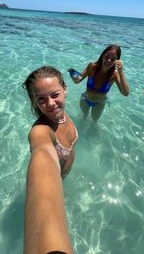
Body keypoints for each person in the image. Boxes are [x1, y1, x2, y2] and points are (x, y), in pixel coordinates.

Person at [23, 66, 77, 254]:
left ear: (65, 89)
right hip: (54, 181)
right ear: (34, 102)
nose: (51, 104)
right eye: (41, 99)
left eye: (55, 94)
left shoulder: (63, 116)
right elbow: (42, 154)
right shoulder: (41, 131)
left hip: (63, 177)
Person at [69, 44, 129, 121]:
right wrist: (73, 73)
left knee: (94, 121)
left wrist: (121, 73)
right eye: (107, 57)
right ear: (102, 56)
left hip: (99, 103)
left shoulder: (114, 75)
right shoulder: (92, 67)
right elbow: (78, 80)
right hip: (85, 99)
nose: (108, 60)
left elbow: (126, 93)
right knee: (84, 116)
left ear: (117, 61)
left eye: (113, 59)